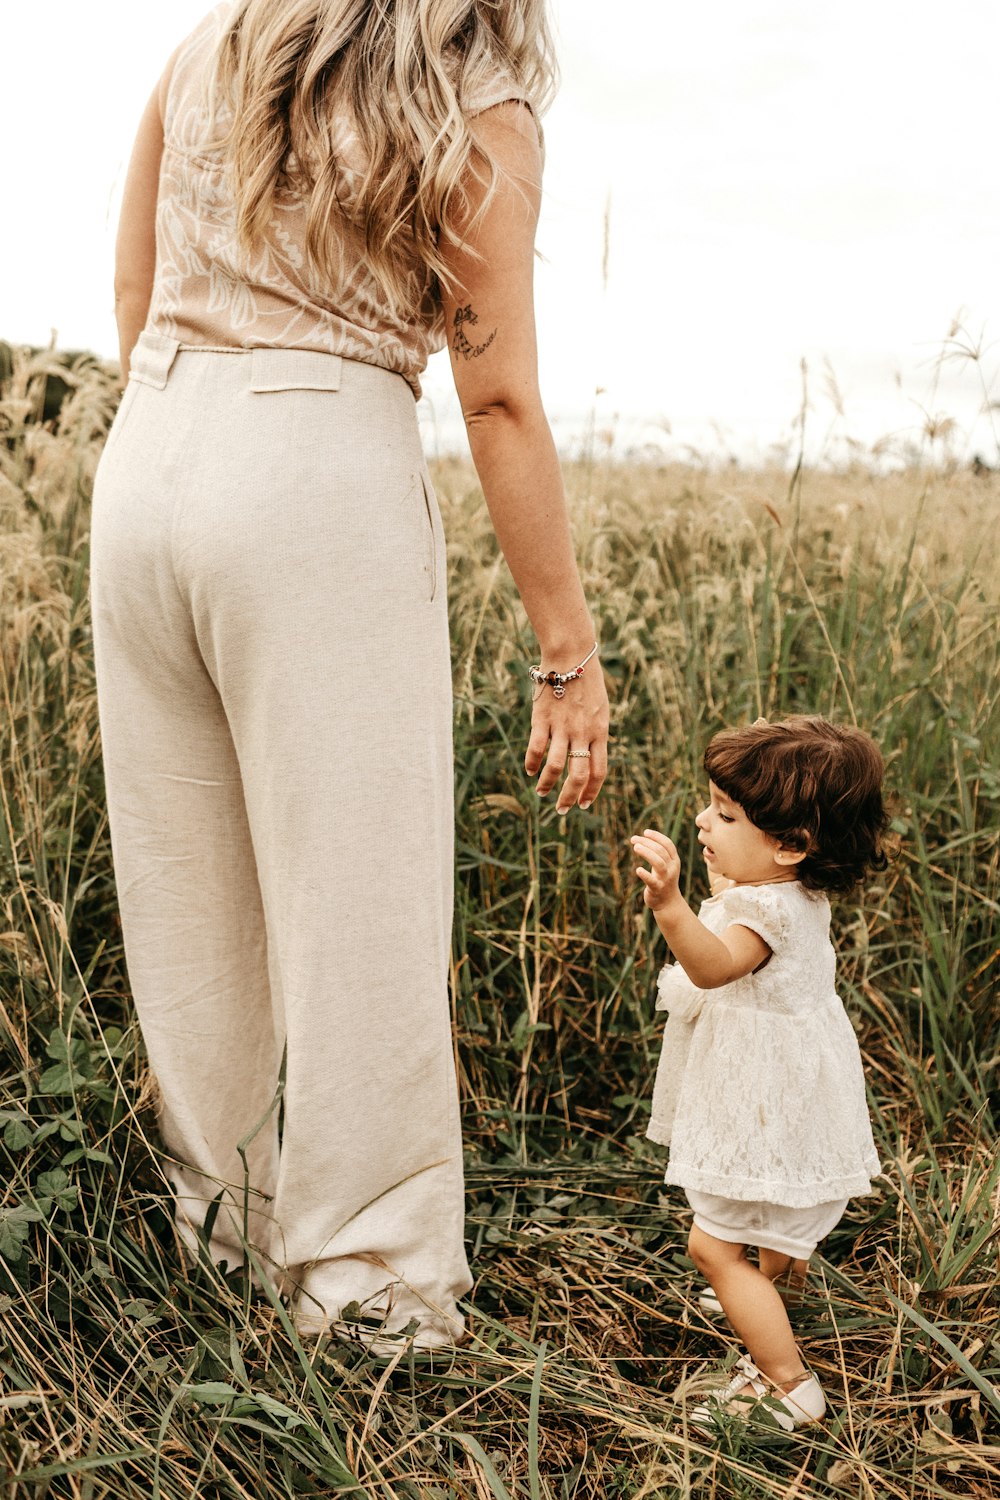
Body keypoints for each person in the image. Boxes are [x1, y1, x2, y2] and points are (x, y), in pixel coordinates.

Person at [89, 0, 609, 1350]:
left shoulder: (216, 43)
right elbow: (497, 398)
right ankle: (369, 1288)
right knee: (358, 900)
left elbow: (134, 293)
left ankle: (223, 1232)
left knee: (187, 882)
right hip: (316, 461)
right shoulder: (472, 104)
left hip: (151, 451)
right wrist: (568, 645)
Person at [630, 717, 887, 1430]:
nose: (703, 820)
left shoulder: (760, 913)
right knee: (770, 1227)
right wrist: (726, 867)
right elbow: (747, 900)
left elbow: (711, 968)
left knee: (711, 1246)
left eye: (725, 813)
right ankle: (772, 1276)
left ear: (791, 844)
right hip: (799, 1095)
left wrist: (671, 905)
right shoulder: (794, 890)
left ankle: (786, 1383)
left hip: (759, 1106)